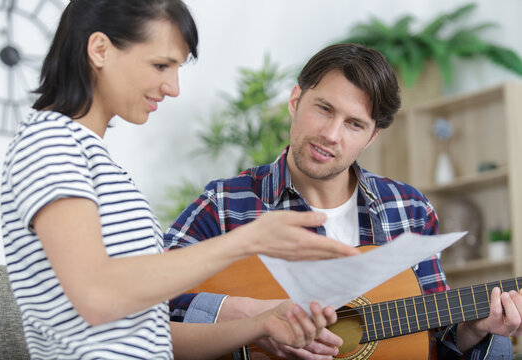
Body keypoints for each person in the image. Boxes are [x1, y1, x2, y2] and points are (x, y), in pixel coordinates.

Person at [0, 2, 361, 359]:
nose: (173, 87)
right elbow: (98, 296)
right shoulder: (50, 143)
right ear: (100, 49)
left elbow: (150, 336)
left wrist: (262, 325)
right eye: (161, 65)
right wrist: (246, 240)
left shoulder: (94, 159)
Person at [164, 43, 522, 359]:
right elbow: (146, 303)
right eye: (323, 109)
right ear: (295, 101)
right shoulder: (226, 203)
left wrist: (475, 330)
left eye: (354, 124)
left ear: (371, 137)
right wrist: (249, 316)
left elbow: (435, 338)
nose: (331, 135)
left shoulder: (410, 209)